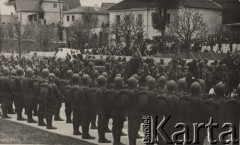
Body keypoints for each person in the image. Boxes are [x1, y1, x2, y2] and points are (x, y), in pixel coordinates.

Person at [96, 75, 111, 143]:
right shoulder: (104, 90)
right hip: (104, 109)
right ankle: (102, 138)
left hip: (99, 108)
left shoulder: (97, 89)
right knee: (102, 123)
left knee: (100, 123)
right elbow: (107, 100)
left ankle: (101, 137)